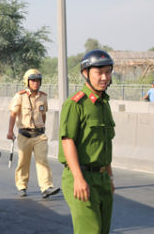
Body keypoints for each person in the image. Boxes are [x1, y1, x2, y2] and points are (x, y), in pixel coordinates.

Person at [59, 49, 116, 234]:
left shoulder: (104, 104)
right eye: (99, 72)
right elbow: (67, 141)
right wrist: (78, 178)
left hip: (103, 179)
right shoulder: (76, 104)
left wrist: (109, 177)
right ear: (86, 73)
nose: (104, 77)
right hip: (82, 177)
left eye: (107, 72)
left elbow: (104, 144)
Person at [7, 69, 60, 198]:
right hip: (24, 134)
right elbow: (13, 114)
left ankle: (46, 187)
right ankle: (22, 186)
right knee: (23, 162)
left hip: (39, 135)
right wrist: (10, 131)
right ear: (27, 81)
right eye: (33, 80)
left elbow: (43, 115)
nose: (36, 83)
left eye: (38, 80)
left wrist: (42, 127)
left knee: (42, 160)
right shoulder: (19, 96)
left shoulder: (43, 97)